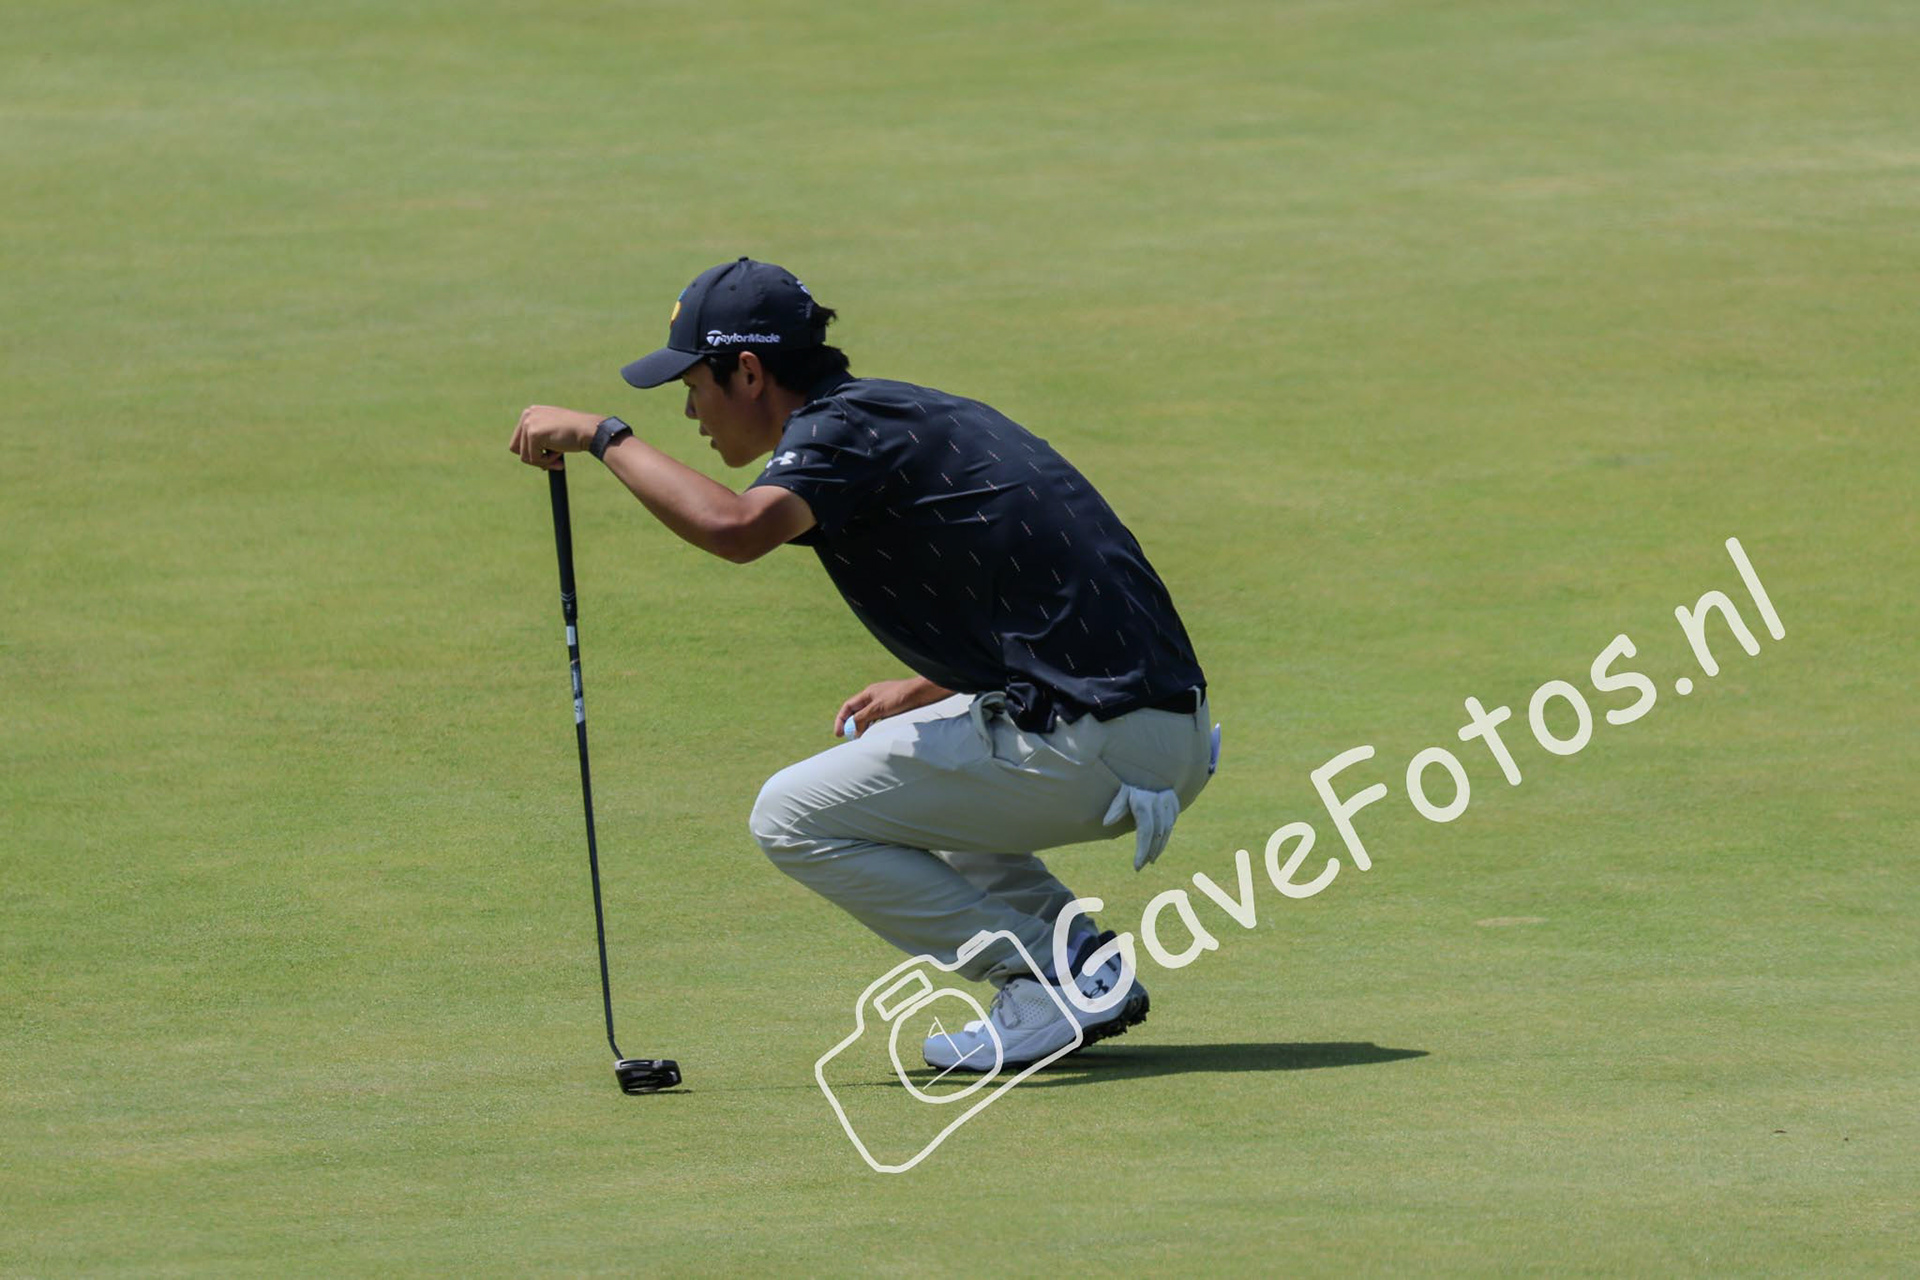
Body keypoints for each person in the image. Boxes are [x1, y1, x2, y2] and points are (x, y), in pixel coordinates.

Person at [509, 258, 1217, 1071]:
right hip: (1160, 732)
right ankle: (1080, 962)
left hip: (1103, 742)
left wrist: (603, 436)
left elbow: (737, 529)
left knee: (789, 815)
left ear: (748, 372)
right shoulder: (892, 417)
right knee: (903, 765)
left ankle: (1039, 979)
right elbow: (1031, 589)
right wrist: (928, 686)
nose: (689, 410)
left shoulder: (840, 433)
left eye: (693, 384)